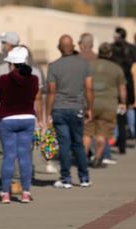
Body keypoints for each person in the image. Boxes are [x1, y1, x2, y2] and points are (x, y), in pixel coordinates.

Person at [0, 46, 41, 203]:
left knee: (9, 156)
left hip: (7, 119)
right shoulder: (34, 79)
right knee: (25, 156)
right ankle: (26, 192)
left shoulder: (3, 80)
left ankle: (5, 193)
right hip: (27, 118)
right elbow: (35, 95)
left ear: (12, 64)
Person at [46, 35, 93, 189]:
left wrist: (48, 113)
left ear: (59, 48)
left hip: (59, 108)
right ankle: (84, 177)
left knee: (64, 145)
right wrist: (90, 108)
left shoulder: (53, 66)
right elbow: (88, 88)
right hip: (77, 108)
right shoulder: (83, 64)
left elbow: (51, 92)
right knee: (78, 143)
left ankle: (66, 179)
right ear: (73, 46)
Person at [83, 43, 127, 168]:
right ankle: (97, 158)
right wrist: (123, 102)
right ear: (110, 54)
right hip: (108, 104)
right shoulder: (116, 68)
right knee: (102, 133)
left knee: (86, 133)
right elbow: (122, 89)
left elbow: (83, 84)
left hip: (90, 103)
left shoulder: (89, 65)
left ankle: (83, 159)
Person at [112, 27, 136, 151]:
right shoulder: (133, 49)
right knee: (128, 107)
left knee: (118, 112)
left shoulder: (113, 48)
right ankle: (132, 131)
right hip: (129, 82)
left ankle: (117, 137)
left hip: (115, 83)